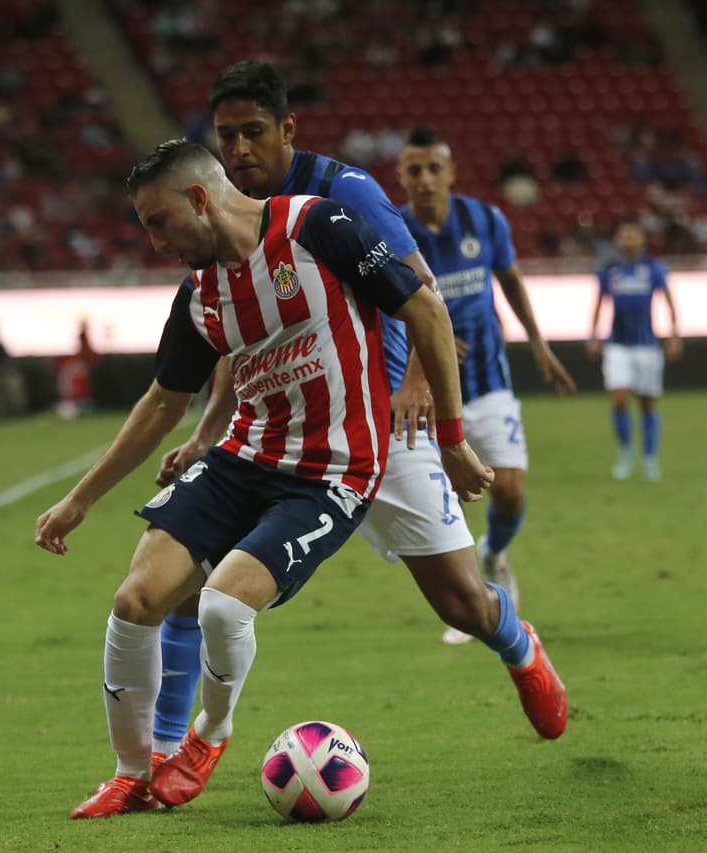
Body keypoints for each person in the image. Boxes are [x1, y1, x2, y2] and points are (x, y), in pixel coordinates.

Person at [36, 139, 499, 819]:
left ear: (199, 199)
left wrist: (452, 440)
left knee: (222, 606)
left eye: (158, 221)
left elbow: (426, 309)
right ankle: (131, 775)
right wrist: (80, 500)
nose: (155, 241)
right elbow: (162, 403)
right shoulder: (200, 293)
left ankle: (210, 732)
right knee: (134, 600)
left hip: (333, 472)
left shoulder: (317, 226)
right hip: (243, 458)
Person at [148, 60, 567, 773]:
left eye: (254, 132)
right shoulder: (222, 213)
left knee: (461, 603)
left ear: (287, 129)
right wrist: (205, 434)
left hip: (377, 425)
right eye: (227, 135)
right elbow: (235, 338)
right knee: (187, 583)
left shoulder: (343, 192)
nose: (240, 149)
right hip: (274, 439)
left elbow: (422, 291)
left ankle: (517, 644)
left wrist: (418, 388)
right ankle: (165, 752)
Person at [396, 126, 577, 643]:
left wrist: (538, 344)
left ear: (451, 172)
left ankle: (494, 552)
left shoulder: (486, 220)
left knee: (511, 491)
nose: (425, 179)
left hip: (488, 380)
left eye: (434, 168)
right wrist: (425, 344)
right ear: (402, 177)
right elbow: (381, 308)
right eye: (415, 170)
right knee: (443, 501)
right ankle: (472, 603)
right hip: (426, 392)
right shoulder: (391, 231)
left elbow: (510, 279)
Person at [586, 220, 682, 481]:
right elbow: (599, 304)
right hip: (617, 345)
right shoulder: (609, 270)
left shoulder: (653, 268)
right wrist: (593, 336)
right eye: (624, 235)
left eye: (633, 235)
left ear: (642, 239)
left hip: (647, 345)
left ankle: (650, 458)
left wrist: (674, 336)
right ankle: (626, 452)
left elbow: (670, 302)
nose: (628, 239)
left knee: (648, 403)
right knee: (619, 399)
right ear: (617, 239)